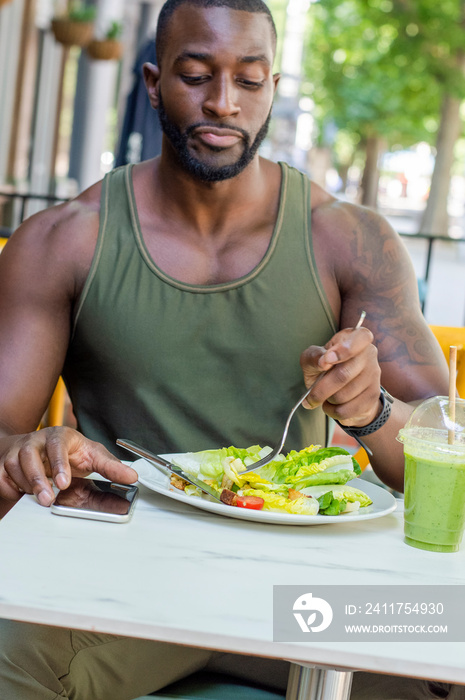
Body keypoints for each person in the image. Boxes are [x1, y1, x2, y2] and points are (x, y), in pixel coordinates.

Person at [0, 0, 455, 697]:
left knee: (446, 630)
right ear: (153, 82)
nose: (222, 102)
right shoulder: (64, 238)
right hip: (132, 587)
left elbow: (443, 453)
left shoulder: (350, 238)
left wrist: (369, 410)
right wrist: (28, 451)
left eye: (248, 80)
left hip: (301, 594)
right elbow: (2, 432)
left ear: (273, 88)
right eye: (195, 75)